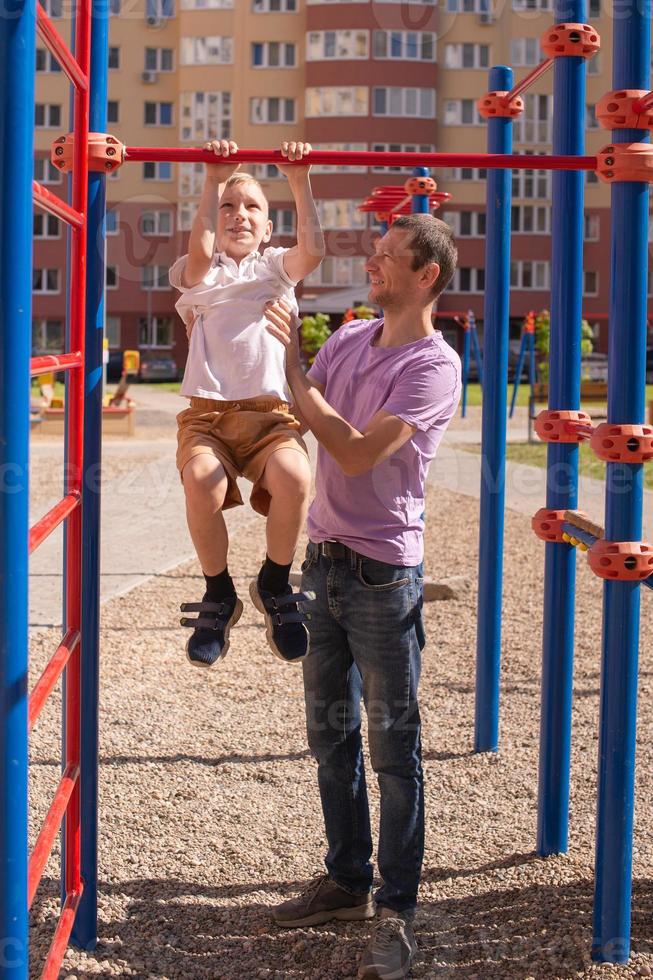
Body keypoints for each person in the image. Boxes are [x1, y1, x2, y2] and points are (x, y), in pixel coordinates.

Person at [264, 214, 461, 979]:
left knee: (391, 749)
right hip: (324, 564)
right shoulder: (347, 338)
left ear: (425, 276)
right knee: (329, 738)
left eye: (386, 258)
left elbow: (349, 445)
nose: (371, 264)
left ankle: (397, 904)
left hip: (383, 575)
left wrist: (291, 369)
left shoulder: (432, 366)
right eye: (374, 254)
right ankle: (346, 879)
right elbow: (302, 417)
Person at [170, 139, 324, 668]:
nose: (239, 215)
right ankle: (219, 593)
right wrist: (213, 179)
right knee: (203, 481)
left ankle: (274, 583)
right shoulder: (200, 275)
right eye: (228, 208)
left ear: (267, 228)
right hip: (208, 417)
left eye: (252, 207)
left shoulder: (277, 269)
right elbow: (197, 249)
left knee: (296, 478)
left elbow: (315, 251)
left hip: (270, 417)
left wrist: (298, 179)